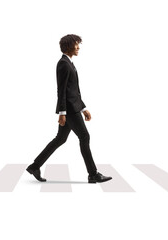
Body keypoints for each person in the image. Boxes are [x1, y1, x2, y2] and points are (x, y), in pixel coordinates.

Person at [26, 34, 112, 184]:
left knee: (60, 139)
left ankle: (35, 166)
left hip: (74, 108)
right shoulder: (63, 64)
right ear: (68, 46)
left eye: (79, 44)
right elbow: (62, 90)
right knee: (84, 137)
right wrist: (62, 113)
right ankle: (93, 174)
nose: (79, 47)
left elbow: (74, 91)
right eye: (76, 44)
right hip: (69, 111)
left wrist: (84, 108)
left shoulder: (69, 63)